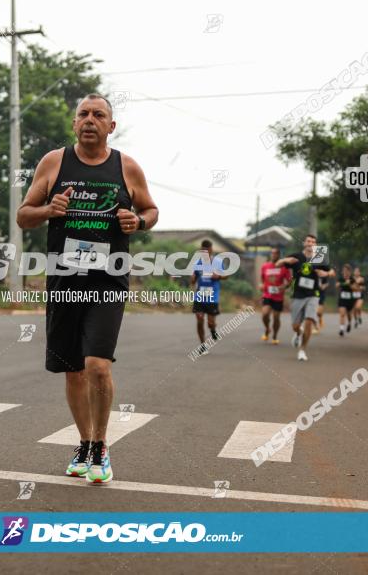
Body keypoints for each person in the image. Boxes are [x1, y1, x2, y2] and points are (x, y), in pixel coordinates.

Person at [16, 93, 159, 485]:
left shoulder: (126, 167)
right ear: (74, 123)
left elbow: (151, 210)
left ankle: (101, 445)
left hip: (107, 278)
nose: (90, 120)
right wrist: (49, 209)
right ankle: (84, 442)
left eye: (99, 115)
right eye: (83, 114)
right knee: (73, 370)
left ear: (112, 126)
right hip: (64, 278)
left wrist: (138, 222)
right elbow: (23, 216)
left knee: (97, 365)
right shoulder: (53, 163)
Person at [274, 234, 336, 361]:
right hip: (297, 295)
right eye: (308, 241)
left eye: (313, 242)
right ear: (304, 243)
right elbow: (277, 264)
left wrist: (326, 273)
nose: (310, 243)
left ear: (316, 245)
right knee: (295, 325)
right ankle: (298, 333)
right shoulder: (296, 256)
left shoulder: (319, 257)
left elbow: (332, 272)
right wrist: (285, 261)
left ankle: (302, 350)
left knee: (309, 321)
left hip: (313, 294)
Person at [191, 240, 226, 355]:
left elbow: (226, 276)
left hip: (212, 296)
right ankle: (203, 345)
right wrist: (192, 279)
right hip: (200, 296)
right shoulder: (198, 263)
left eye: (206, 250)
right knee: (199, 319)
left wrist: (219, 276)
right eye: (202, 251)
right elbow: (194, 278)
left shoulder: (217, 262)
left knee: (210, 322)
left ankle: (213, 330)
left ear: (211, 250)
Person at [260, 247, 292, 344]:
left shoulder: (284, 267)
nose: (273, 255)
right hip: (267, 295)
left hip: (278, 296)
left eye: (275, 253)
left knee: (276, 317)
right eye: (272, 253)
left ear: (278, 255)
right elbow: (262, 279)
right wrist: (261, 285)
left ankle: (275, 336)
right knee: (265, 314)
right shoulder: (265, 266)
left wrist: (284, 287)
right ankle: (267, 329)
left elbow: (290, 281)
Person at [337, 264, 357, 336]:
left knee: (348, 315)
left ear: (349, 272)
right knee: (342, 314)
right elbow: (337, 285)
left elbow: (355, 288)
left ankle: (349, 323)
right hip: (342, 299)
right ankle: (341, 329)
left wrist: (350, 285)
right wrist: (345, 283)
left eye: (346, 271)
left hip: (350, 300)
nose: (345, 272)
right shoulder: (341, 278)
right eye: (344, 271)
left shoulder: (352, 279)